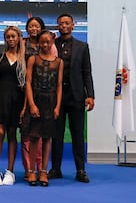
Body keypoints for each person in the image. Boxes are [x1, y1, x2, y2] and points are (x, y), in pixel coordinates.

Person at [48, 13, 95, 183]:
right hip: (56, 97)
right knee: (56, 134)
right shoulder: (51, 45)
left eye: (67, 23)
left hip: (76, 96)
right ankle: (55, 169)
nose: (64, 26)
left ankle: (80, 170)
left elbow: (87, 72)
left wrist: (90, 95)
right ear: (58, 26)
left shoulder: (83, 47)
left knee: (77, 134)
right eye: (61, 23)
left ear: (73, 25)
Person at [21, 30, 64, 186]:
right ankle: (32, 171)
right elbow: (28, 83)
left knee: (47, 139)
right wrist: (31, 104)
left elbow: (59, 86)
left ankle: (43, 171)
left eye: (48, 42)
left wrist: (58, 106)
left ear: (52, 42)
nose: (45, 45)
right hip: (36, 99)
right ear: (38, 42)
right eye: (42, 42)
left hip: (51, 101)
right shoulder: (33, 59)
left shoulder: (59, 62)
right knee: (33, 138)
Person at [0, 26, 26, 186]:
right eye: (8, 37)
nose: (11, 39)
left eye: (13, 36)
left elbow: (28, 84)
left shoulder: (26, 58)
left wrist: (25, 107)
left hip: (17, 100)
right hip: (0, 99)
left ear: (19, 38)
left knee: (12, 134)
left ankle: (10, 171)